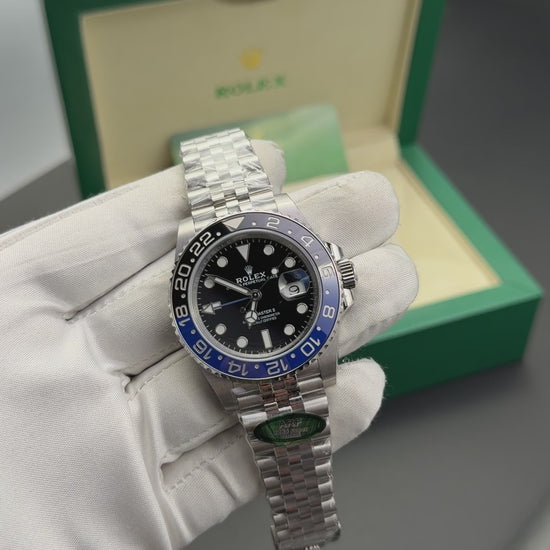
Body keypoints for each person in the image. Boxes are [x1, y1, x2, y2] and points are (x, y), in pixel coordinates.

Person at [0, 139, 417, 549]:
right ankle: (307, 530)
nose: (256, 295)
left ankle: (308, 529)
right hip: (248, 362)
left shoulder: (302, 269)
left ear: (337, 275)